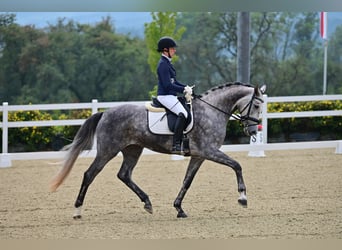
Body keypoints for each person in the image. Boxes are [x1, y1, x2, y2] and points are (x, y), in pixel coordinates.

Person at [156, 36, 193, 154]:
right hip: (165, 96)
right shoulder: (162, 64)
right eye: (172, 49)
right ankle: (176, 144)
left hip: (170, 96)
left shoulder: (167, 63)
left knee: (187, 110)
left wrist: (186, 87)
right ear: (165, 50)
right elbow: (167, 85)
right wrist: (183, 90)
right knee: (182, 114)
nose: (174, 50)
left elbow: (174, 82)